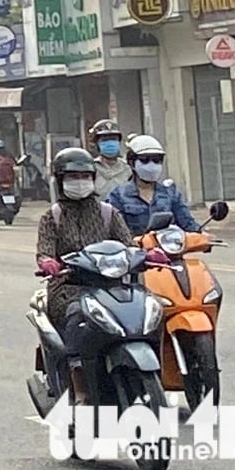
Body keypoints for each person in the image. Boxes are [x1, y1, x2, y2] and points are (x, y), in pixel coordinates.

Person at [35, 147, 133, 393]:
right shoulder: (52, 217)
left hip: (110, 286)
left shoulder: (108, 213)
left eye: (85, 176)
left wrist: (147, 254)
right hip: (69, 287)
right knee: (77, 323)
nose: (80, 182)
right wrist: (48, 262)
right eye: (72, 177)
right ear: (60, 180)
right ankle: (79, 387)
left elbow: (129, 246)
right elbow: (45, 250)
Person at [105, 134, 213, 235]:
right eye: (145, 160)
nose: (151, 165)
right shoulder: (118, 196)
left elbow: (187, 223)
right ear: (132, 163)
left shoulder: (171, 194)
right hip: (135, 252)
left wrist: (201, 235)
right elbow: (115, 230)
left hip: (170, 250)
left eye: (156, 160)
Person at [89, 118, 129, 199]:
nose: (110, 143)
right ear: (97, 143)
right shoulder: (91, 168)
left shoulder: (128, 168)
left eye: (113, 139)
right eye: (105, 140)